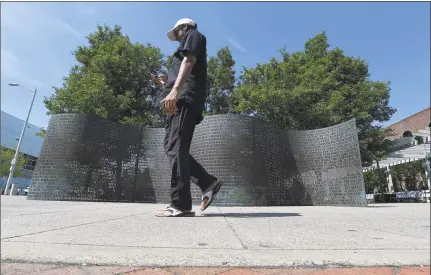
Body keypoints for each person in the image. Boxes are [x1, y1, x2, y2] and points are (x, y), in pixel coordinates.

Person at [152, 18, 223, 217]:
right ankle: (207, 182)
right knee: (171, 147)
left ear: (183, 28)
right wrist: (166, 83)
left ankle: (180, 204)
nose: (176, 39)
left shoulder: (194, 35)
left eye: (176, 34)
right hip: (178, 98)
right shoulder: (185, 43)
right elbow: (183, 68)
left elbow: (189, 61)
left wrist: (174, 90)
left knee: (177, 148)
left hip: (183, 98)